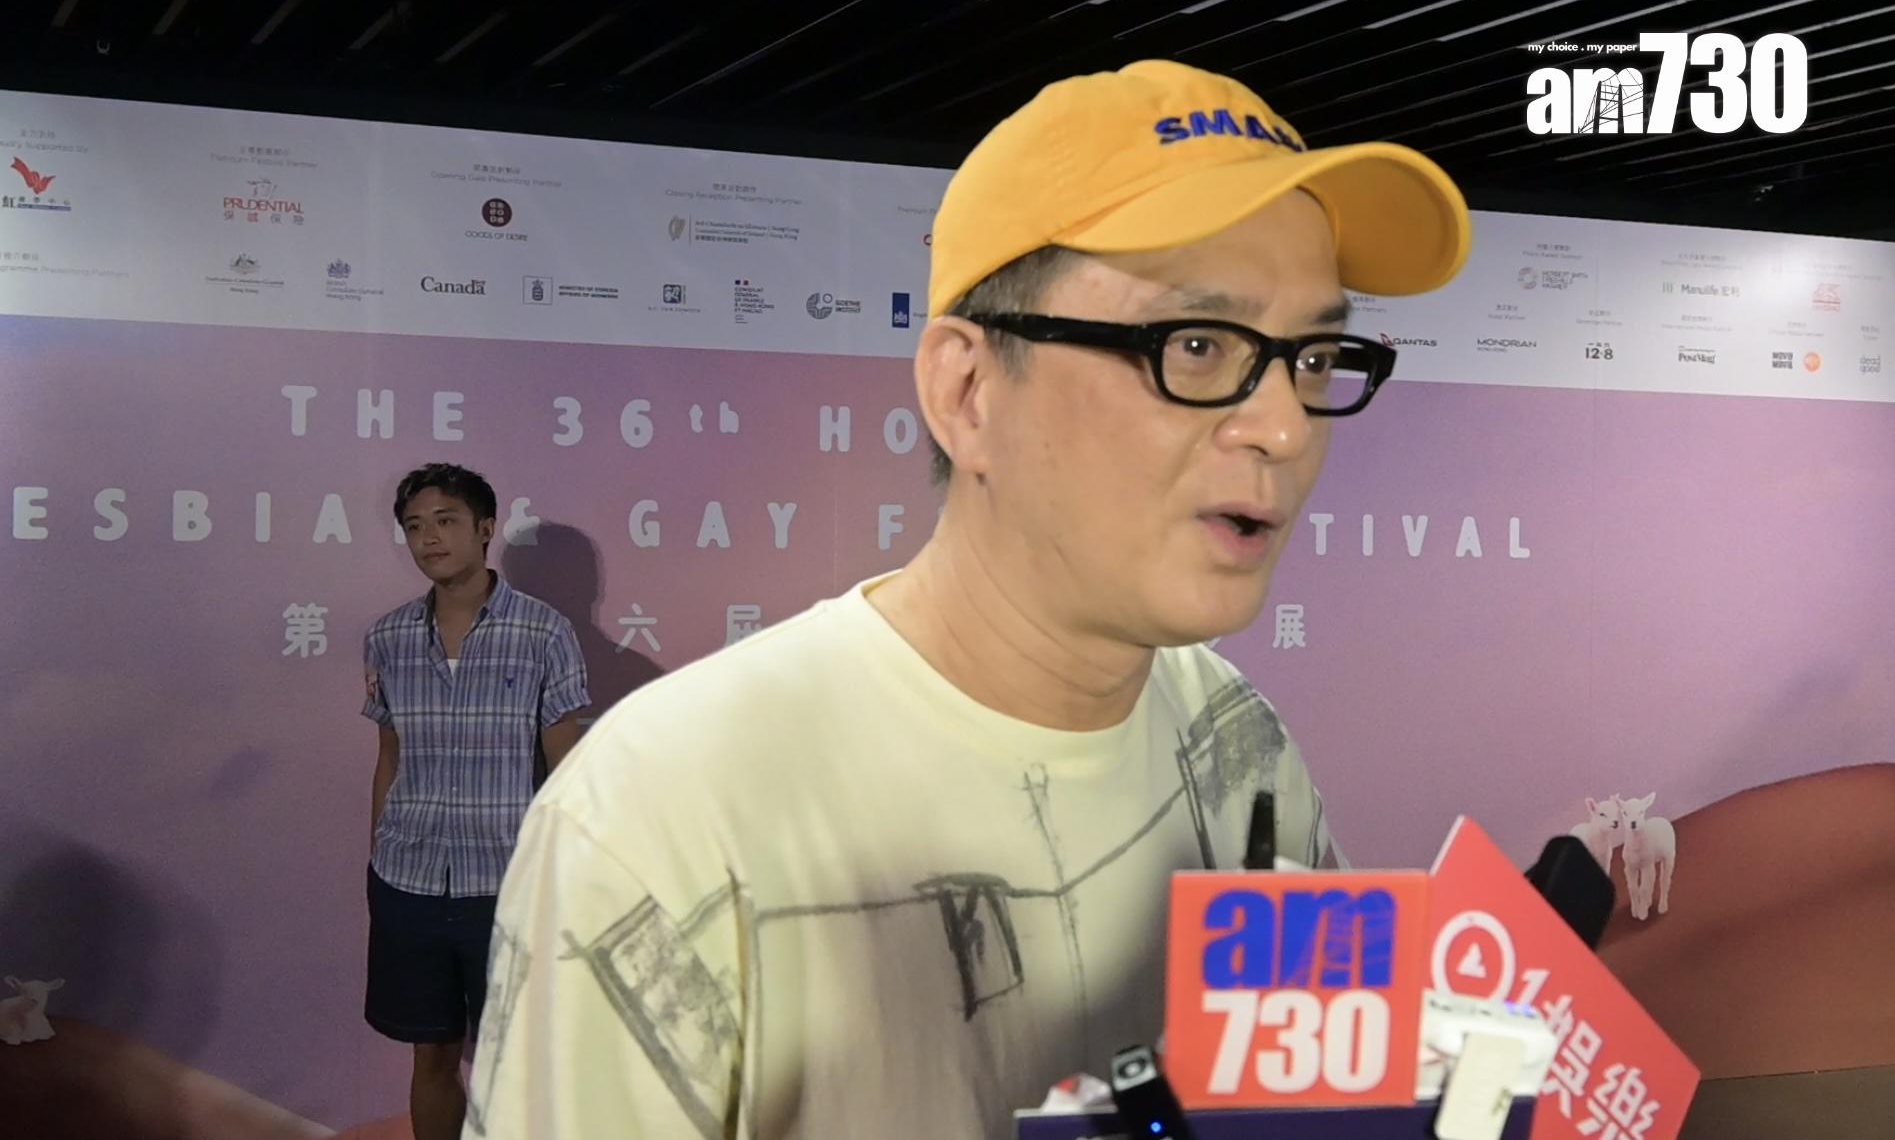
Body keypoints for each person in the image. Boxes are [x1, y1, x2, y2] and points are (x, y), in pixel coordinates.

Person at [462, 60, 1471, 1139]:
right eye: (1194, 345)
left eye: (1311, 357)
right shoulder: (662, 819)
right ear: (967, 391)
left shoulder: (1235, 738)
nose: (1282, 426)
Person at [360, 463, 590, 1140]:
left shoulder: (544, 633)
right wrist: (378, 858)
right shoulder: (388, 637)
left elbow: (566, 768)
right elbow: (389, 757)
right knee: (430, 1056)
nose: (429, 538)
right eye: (415, 527)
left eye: (446, 521)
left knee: (517, 1060)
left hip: (509, 884)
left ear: (485, 529)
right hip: (410, 882)